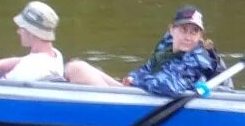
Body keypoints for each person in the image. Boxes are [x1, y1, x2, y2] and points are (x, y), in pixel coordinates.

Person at [64, 6, 223, 96]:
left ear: (200, 35)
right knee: (76, 67)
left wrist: (138, 82)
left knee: (78, 70)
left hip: (166, 96)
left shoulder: (199, 59)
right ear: (172, 29)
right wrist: (133, 77)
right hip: (149, 92)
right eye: (183, 30)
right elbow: (149, 68)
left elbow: (168, 86)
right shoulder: (167, 46)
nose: (188, 37)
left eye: (194, 32)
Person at [0, 1, 64, 82]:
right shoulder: (55, 55)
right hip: (5, 81)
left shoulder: (29, 69)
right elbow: (22, 60)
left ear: (32, 33)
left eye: (21, 28)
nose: (18, 31)